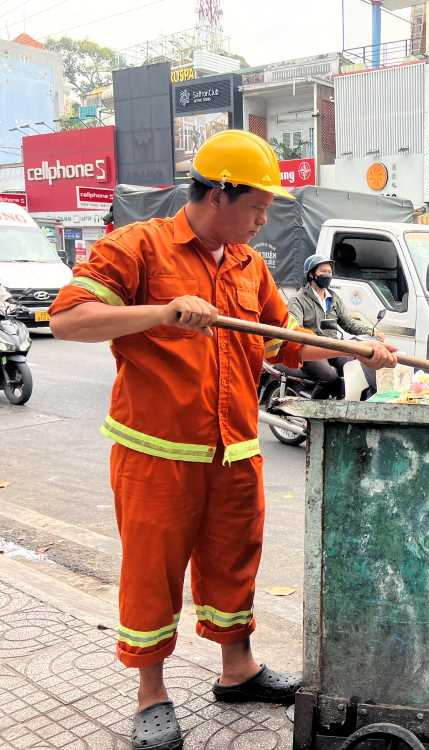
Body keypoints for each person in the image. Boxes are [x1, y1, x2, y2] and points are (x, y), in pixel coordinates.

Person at [47, 130, 397, 750]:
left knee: (236, 563)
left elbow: (282, 340)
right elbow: (68, 318)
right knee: (153, 574)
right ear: (219, 196)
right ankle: (150, 694)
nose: (264, 221)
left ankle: (238, 670)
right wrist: (158, 312)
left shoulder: (247, 264)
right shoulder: (138, 247)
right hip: (157, 453)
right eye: (257, 207)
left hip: (234, 448)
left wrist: (360, 350)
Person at [287, 254, 383, 399]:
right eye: (323, 272)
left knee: (354, 371)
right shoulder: (298, 300)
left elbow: (348, 323)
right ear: (311, 275)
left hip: (333, 346)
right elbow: (295, 328)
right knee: (330, 378)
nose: (327, 275)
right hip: (312, 349)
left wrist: (371, 331)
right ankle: (313, 416)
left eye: (329, 272)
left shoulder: (333, 298)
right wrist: (314, 338)